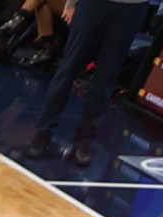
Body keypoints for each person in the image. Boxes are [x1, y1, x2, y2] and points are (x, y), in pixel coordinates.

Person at [19, 0, 155, 165]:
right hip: (92, 4)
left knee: (106, 76)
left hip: (132, 7)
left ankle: (83, 141)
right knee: (68, 67)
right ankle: (43, 133)